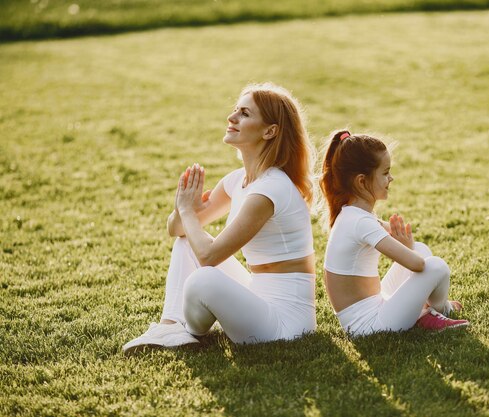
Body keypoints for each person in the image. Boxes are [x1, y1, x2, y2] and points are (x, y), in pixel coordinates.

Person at [123, 83, 316, 354]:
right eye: (235, 110)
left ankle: (180, 330)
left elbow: (209, 257)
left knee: (204, 279)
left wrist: (189, 212)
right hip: (256, 295)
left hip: (286, 324)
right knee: (186, 243)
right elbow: (176, 229)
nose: (232, 117)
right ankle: (170, 326)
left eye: (245, 114)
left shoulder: (271, 189)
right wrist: (182, 208)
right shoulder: (238, 180)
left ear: (269, 131)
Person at [320, 130, 469, 336]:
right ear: (361, 181)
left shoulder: (353, 215)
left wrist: (408, 247)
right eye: (385, 173)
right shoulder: (360, 222)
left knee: (421, 249)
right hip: (369, 326)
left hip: (376, 306)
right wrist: (406, 249)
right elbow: (417, 265)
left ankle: (424, 311)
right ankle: (440, 309)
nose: (391, 178)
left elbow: (408, 252)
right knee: (436, 266)